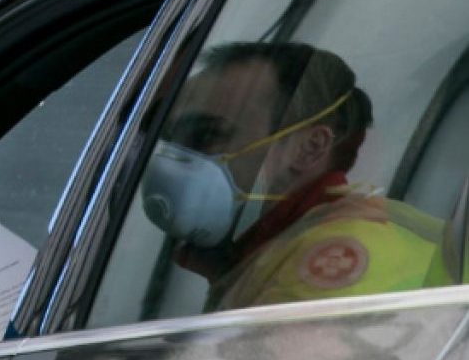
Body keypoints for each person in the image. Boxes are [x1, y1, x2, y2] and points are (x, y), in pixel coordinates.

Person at [142, 42, 442, 311]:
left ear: (309, 149)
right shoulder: (267, 251)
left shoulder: (330, 262)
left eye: (206, 135)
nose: (174, 160)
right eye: (172, 138)